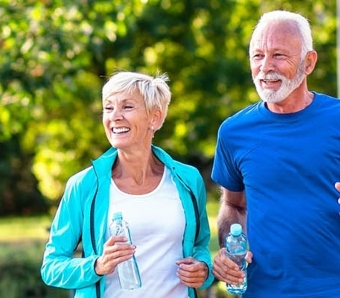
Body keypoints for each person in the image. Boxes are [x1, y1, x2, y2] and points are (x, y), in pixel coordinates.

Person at [211, 10, 340, 298]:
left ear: (308, 62)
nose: (265, 67)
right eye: (257, 56)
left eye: (278, 55)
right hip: (263, 291)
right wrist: (229, 249)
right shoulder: (233, 132)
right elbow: (234, 206)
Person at [41, 71, 214, 297]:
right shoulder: (83, 185)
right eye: (108, 107)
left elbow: (201, 246)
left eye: (127, 107)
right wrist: (97, 265)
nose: (115, 116)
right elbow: (52, 267)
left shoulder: (188, 180)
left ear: (155, 118)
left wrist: (203, 269)